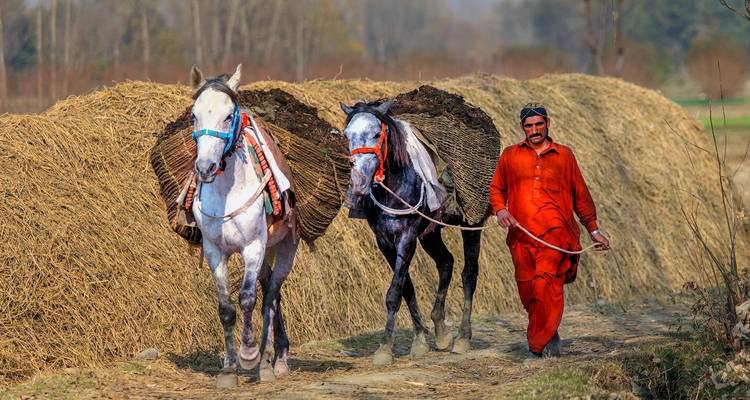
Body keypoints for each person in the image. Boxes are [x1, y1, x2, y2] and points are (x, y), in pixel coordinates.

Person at [488, 103, 610, 359]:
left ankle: (536, 348)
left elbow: (581, 196)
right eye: (529, 126)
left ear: (547, 124)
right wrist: (500, 210)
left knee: (545, 285)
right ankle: (549, 332)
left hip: (556, 235)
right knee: (529, 291)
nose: (534, 130)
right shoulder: (510, 156)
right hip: (521, 237)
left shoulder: (564, 156)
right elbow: (496, 189)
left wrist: (594, 229)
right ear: (522, 127)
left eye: (539, 124)